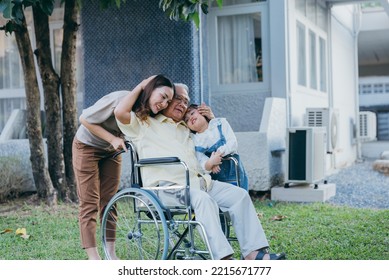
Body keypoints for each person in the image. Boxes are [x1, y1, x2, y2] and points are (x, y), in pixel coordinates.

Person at [114, 83, 286, 260]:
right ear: (166, 102)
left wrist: (212, 120)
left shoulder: (186, 127)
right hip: (167, 189)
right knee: (202, 200)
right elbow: (120, 112)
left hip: (200, 183)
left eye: (186, 101)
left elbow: (214, 139)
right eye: (178, 99)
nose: (183, 104)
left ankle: (253, 253)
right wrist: (144, 85)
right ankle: (224, 259)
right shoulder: (145, 124)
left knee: (239, 196)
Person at [72, 74, 175, 260]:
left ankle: (111, 254)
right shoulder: (120, 98)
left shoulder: (149, 111)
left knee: (110, 201)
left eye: (168, 101)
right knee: (89, 202)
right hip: (87, 146)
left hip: (112, 151)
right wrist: (112, 138)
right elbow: (84, 119)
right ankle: (93, 258)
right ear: (150, 90)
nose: (164, 104)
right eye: (163, 97)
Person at [184, 104, 249, 191]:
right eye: (187, 120)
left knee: (240, 194)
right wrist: (210, 163)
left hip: (235, 172)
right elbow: (200, 161)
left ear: (202, 112)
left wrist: (217, 156)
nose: (190, 118)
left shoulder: (220, 124)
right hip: (215, 179)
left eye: (192, 113)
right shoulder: (196, 140)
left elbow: (232, 143)